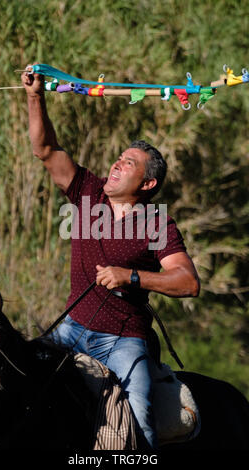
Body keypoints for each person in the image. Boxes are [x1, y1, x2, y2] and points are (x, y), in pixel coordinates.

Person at [21, 67, 200, 450]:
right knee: (19, 388)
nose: (117, 164)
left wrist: (131, 277)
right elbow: (45, 149)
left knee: (138, 427)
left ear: (147, 184)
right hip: (70, 328)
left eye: (129, 163)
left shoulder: (157, 223)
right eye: (120, 158)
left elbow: (187, 282)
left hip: (123, 341)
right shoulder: (89, 190)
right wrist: (35, 95)